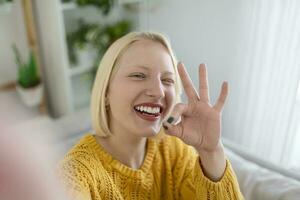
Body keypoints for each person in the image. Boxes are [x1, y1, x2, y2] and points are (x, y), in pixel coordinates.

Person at [58, 31, 244, 199]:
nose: (159, 92)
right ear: (106, 92)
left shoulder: (173, 151)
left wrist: (211, 152)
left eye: (167, 80)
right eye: (138, 75)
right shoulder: (75, 175)